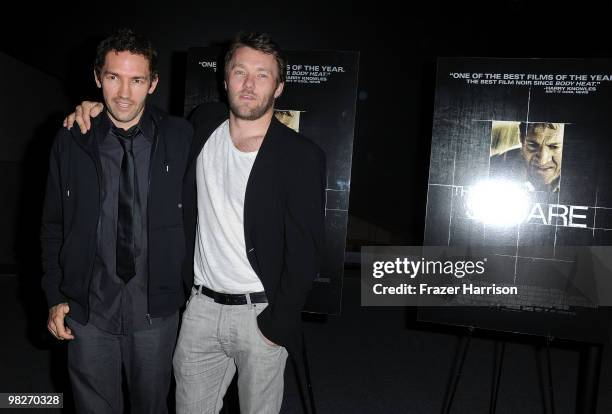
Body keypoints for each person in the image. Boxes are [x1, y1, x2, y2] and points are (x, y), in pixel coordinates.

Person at [64, 31, 326, 414]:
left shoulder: (301, 156)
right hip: (200, 310)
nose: (249, 85)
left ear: (279, 86)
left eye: (262, 75)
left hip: (261, 315)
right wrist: (95, 108)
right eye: (240, 72)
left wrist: (277, 323)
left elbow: (307, 251)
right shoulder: (201, 125)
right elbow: (137, 115)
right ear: (225, 80)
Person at [42, 28, 192, 413]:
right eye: (113, 77)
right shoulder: (72, 139)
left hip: (155, 313)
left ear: (153, 83)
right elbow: (53, 225)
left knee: (152, 407)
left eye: (137, 80)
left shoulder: (180, 137)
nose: (124, 93)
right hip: (90, 314)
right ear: (97, 77)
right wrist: (56, 296)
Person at [489, 122, 564, 192]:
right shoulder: (492, 167)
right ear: (521, 139)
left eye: (554, 147)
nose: (542, 161)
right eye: (533, 145)